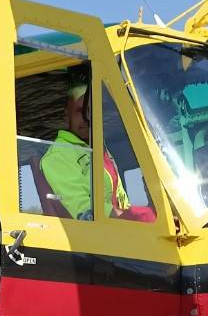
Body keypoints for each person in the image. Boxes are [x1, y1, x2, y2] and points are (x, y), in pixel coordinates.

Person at [39, 67, 156, 222]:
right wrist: (138, 219)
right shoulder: (57, 156)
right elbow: (85, 211)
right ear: (66, 115)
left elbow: (121, 200)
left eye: (90, 111)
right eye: (79, 111)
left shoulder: (99, 149)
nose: (86, 119)